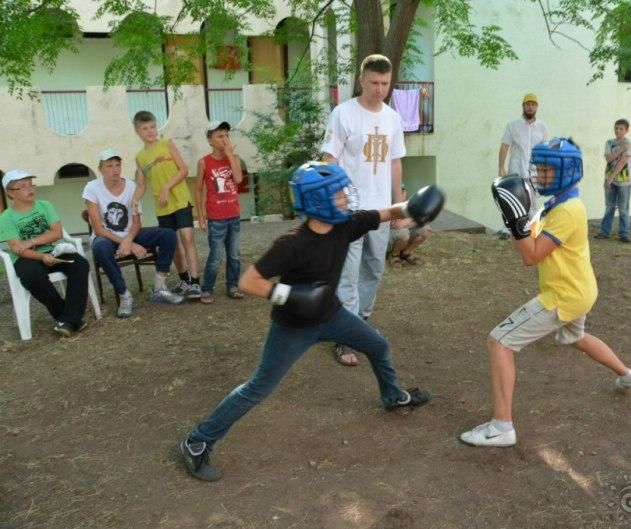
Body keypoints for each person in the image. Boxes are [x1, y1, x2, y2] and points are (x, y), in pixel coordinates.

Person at [179, 162, 445, 481]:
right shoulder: (292, 243)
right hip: (293, 327)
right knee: (258, 388)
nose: (346, 197)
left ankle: (393, 397)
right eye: (339, 194)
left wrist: (413, 207)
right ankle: (197, 441)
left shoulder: (346, 225)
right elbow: (249, 282)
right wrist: (290, 296)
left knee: (378, 345)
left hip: (332, 315)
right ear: (318, 200)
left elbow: (387, 213)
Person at [460, 138, 631, 448]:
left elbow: (531, 256)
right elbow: (531, 238)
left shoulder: (567, 212)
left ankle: (501, 427)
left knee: (499, 342)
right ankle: (628, 375)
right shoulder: (557, 204)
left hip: (563, 295)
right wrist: (518, 221)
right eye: (539, 168)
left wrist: (515, 222)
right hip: (580, 290)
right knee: (576, 337)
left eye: (546, 169)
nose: (539, 174)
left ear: (566, 171)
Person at [321, 54, 406, 367]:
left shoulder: (392, 118)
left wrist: (398, 205)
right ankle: (345, 336)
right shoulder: (343, 114)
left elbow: (395, 162)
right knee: (348, 273)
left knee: (373, 269)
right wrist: (338, 197)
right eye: (374, 82)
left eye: (385, 83)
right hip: (351, 211)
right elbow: (330, 159)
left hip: (381, 211)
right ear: (361, 80)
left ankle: (360, 321)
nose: (379, 89)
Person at [83, 149, 184, 318]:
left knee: (168, 234)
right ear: (100, 169)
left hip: (132, 234)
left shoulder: (131, 187)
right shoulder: (91, 188)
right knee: (100, 247)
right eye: (109, 166)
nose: (115, 170)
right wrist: (127, 243)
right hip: (107, 237)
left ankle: (159, 288)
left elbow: (137, 223)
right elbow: (99, 229)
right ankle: (125, 295)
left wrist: (129, 240)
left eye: (117, 165)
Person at [0, 169, 90, 337]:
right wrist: (41, 256)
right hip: (25, 258)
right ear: (10, 193)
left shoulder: (45, 205)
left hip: (53, 250)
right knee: (33, 276)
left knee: (80, 264)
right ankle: (71, 319)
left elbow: (57, 233)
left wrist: (32, 242)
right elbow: (18, 249)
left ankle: (68, 320)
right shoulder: (6, 217)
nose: (30, 189)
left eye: (31, 184)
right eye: (23, 186)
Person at [132, 110, 202, 299]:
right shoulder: (139, 157)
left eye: (152, 127)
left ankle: (195, 283)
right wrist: (134, 199)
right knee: (173, 243)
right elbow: (141, 185)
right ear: (137, 131)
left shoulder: (167, 144)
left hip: (180, 199)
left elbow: (184, 170)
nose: (150, 131)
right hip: (162, 207)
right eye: (145, 128)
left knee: (187, 238)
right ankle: (184, 280)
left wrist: (166, 187)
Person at [194, 121, 244, 304]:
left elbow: (238, 179)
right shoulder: (204, 162)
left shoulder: (234, 158)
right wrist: (200, 215)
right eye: (220, 136)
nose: (225, 139)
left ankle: (233, 286)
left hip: (234, 215)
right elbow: (198, 189)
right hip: (216, 218)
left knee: (234, 254)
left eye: (227, 135)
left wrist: (229, 154)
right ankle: (207, 288)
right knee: (216, 256)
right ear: (210, 140)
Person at [596, 119, 631, 242]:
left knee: (623, 208)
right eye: (616, 128)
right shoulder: (609, 142)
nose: (618, 130)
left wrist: (610, 178)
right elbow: (608, 158)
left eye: (621, 129)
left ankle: (624, 234)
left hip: (624, 182)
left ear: (626, 130)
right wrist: (620, 150)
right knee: (609, 206)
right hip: (609, 180)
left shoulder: (628, 144)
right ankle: (604, 232)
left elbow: (622, 163)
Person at [388, 184, 431, 267]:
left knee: (426, 230)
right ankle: (394, 255)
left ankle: (406, 253)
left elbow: (421, 220)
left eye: (403, 191)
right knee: (404, 233)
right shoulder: (390, 206)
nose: (402, 194)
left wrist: (409, 221)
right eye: (399, 192)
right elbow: (398, 226)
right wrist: (411, 220)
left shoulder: (408, 205)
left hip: (403, 232)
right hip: (389, 238)